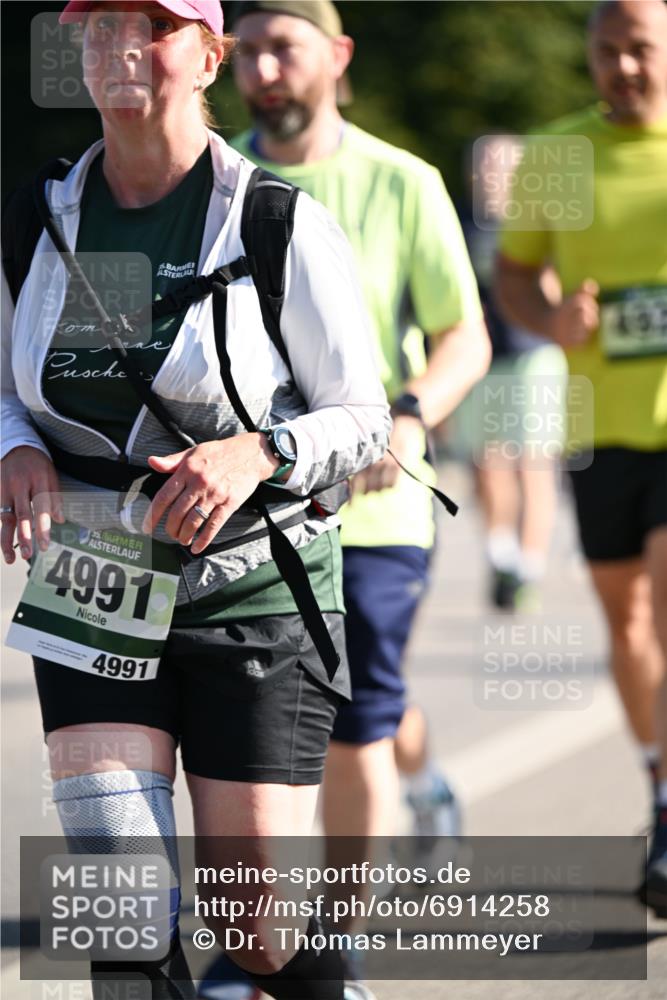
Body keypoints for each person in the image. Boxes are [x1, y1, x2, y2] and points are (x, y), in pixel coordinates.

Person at [0, 3, 391, 999]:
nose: (121, 46)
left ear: (210, 57)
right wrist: (16, 446)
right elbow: (4, 384)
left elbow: (363, 419)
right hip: (93, 574)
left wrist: (258, 452)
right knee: (123, 905)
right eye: (99, 27)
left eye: (156, 25)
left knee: (252, 926)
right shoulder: (36, 213)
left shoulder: (273, 220)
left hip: (252, 585)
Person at [213, 2, 490, 996]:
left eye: (282, 48)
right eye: (245, 51)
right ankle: (254, 933)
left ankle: (331, 952)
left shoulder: (401, 181)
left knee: (350, 718)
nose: (262, 69)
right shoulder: (214, 185)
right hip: (248, 512)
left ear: (336, 55)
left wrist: (408, 417)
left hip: (373, 510)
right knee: (268, 724)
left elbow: (463, 334)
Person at [494, 0, 667, 915]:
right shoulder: (557, 155)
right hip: (597, 428)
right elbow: (515, 273)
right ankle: (660, 785)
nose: (622, 68)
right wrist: (550, 319)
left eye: (639, 50)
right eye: (606, 52)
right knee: (626, 624)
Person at [451, 134, 568, 614]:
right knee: (486, 462)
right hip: (481, 358)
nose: (492, 173)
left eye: (503, 165)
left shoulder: (538, 222)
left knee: (534, 464)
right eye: (485, 164)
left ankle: (529, 569)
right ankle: (501, 556)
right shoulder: (460, 222)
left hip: (534, 356)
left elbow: (559, 288)